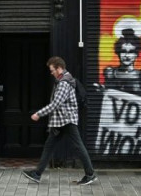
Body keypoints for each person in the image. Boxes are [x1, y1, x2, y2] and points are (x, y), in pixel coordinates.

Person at [22, 57, 96, 186]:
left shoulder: (64, 83)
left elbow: (56, 104)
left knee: (78, 146)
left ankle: (90, 174)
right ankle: (37, 174)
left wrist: (38, 114)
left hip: (66, 121)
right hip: (60, 121)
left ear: (59, 68)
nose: (51, 73)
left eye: (52, 70)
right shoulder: (63, 79)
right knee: (49, 146)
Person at [102, 28, 141, 96]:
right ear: (118, 52)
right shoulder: (110, 74)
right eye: (123, 51)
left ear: (137, 54)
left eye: (131, 52)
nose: (127, 56)